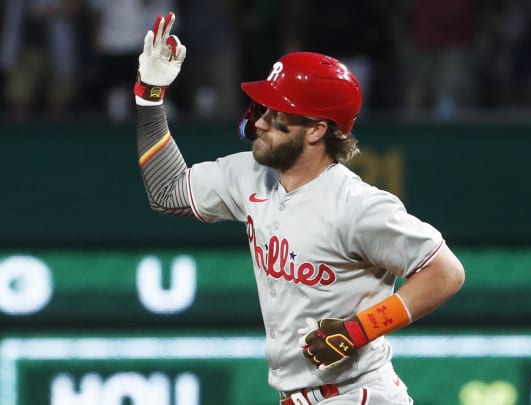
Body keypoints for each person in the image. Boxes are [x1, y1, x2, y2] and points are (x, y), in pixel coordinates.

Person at [134, 12, 465, 405]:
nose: (260, 123)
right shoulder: (251, 175)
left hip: (356, 394)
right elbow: (167, 191)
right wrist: (149, 97)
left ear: (316, 130)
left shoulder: (355, 206)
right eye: (263, 110)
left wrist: (360, 329)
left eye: (277, 115)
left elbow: (445, 272)